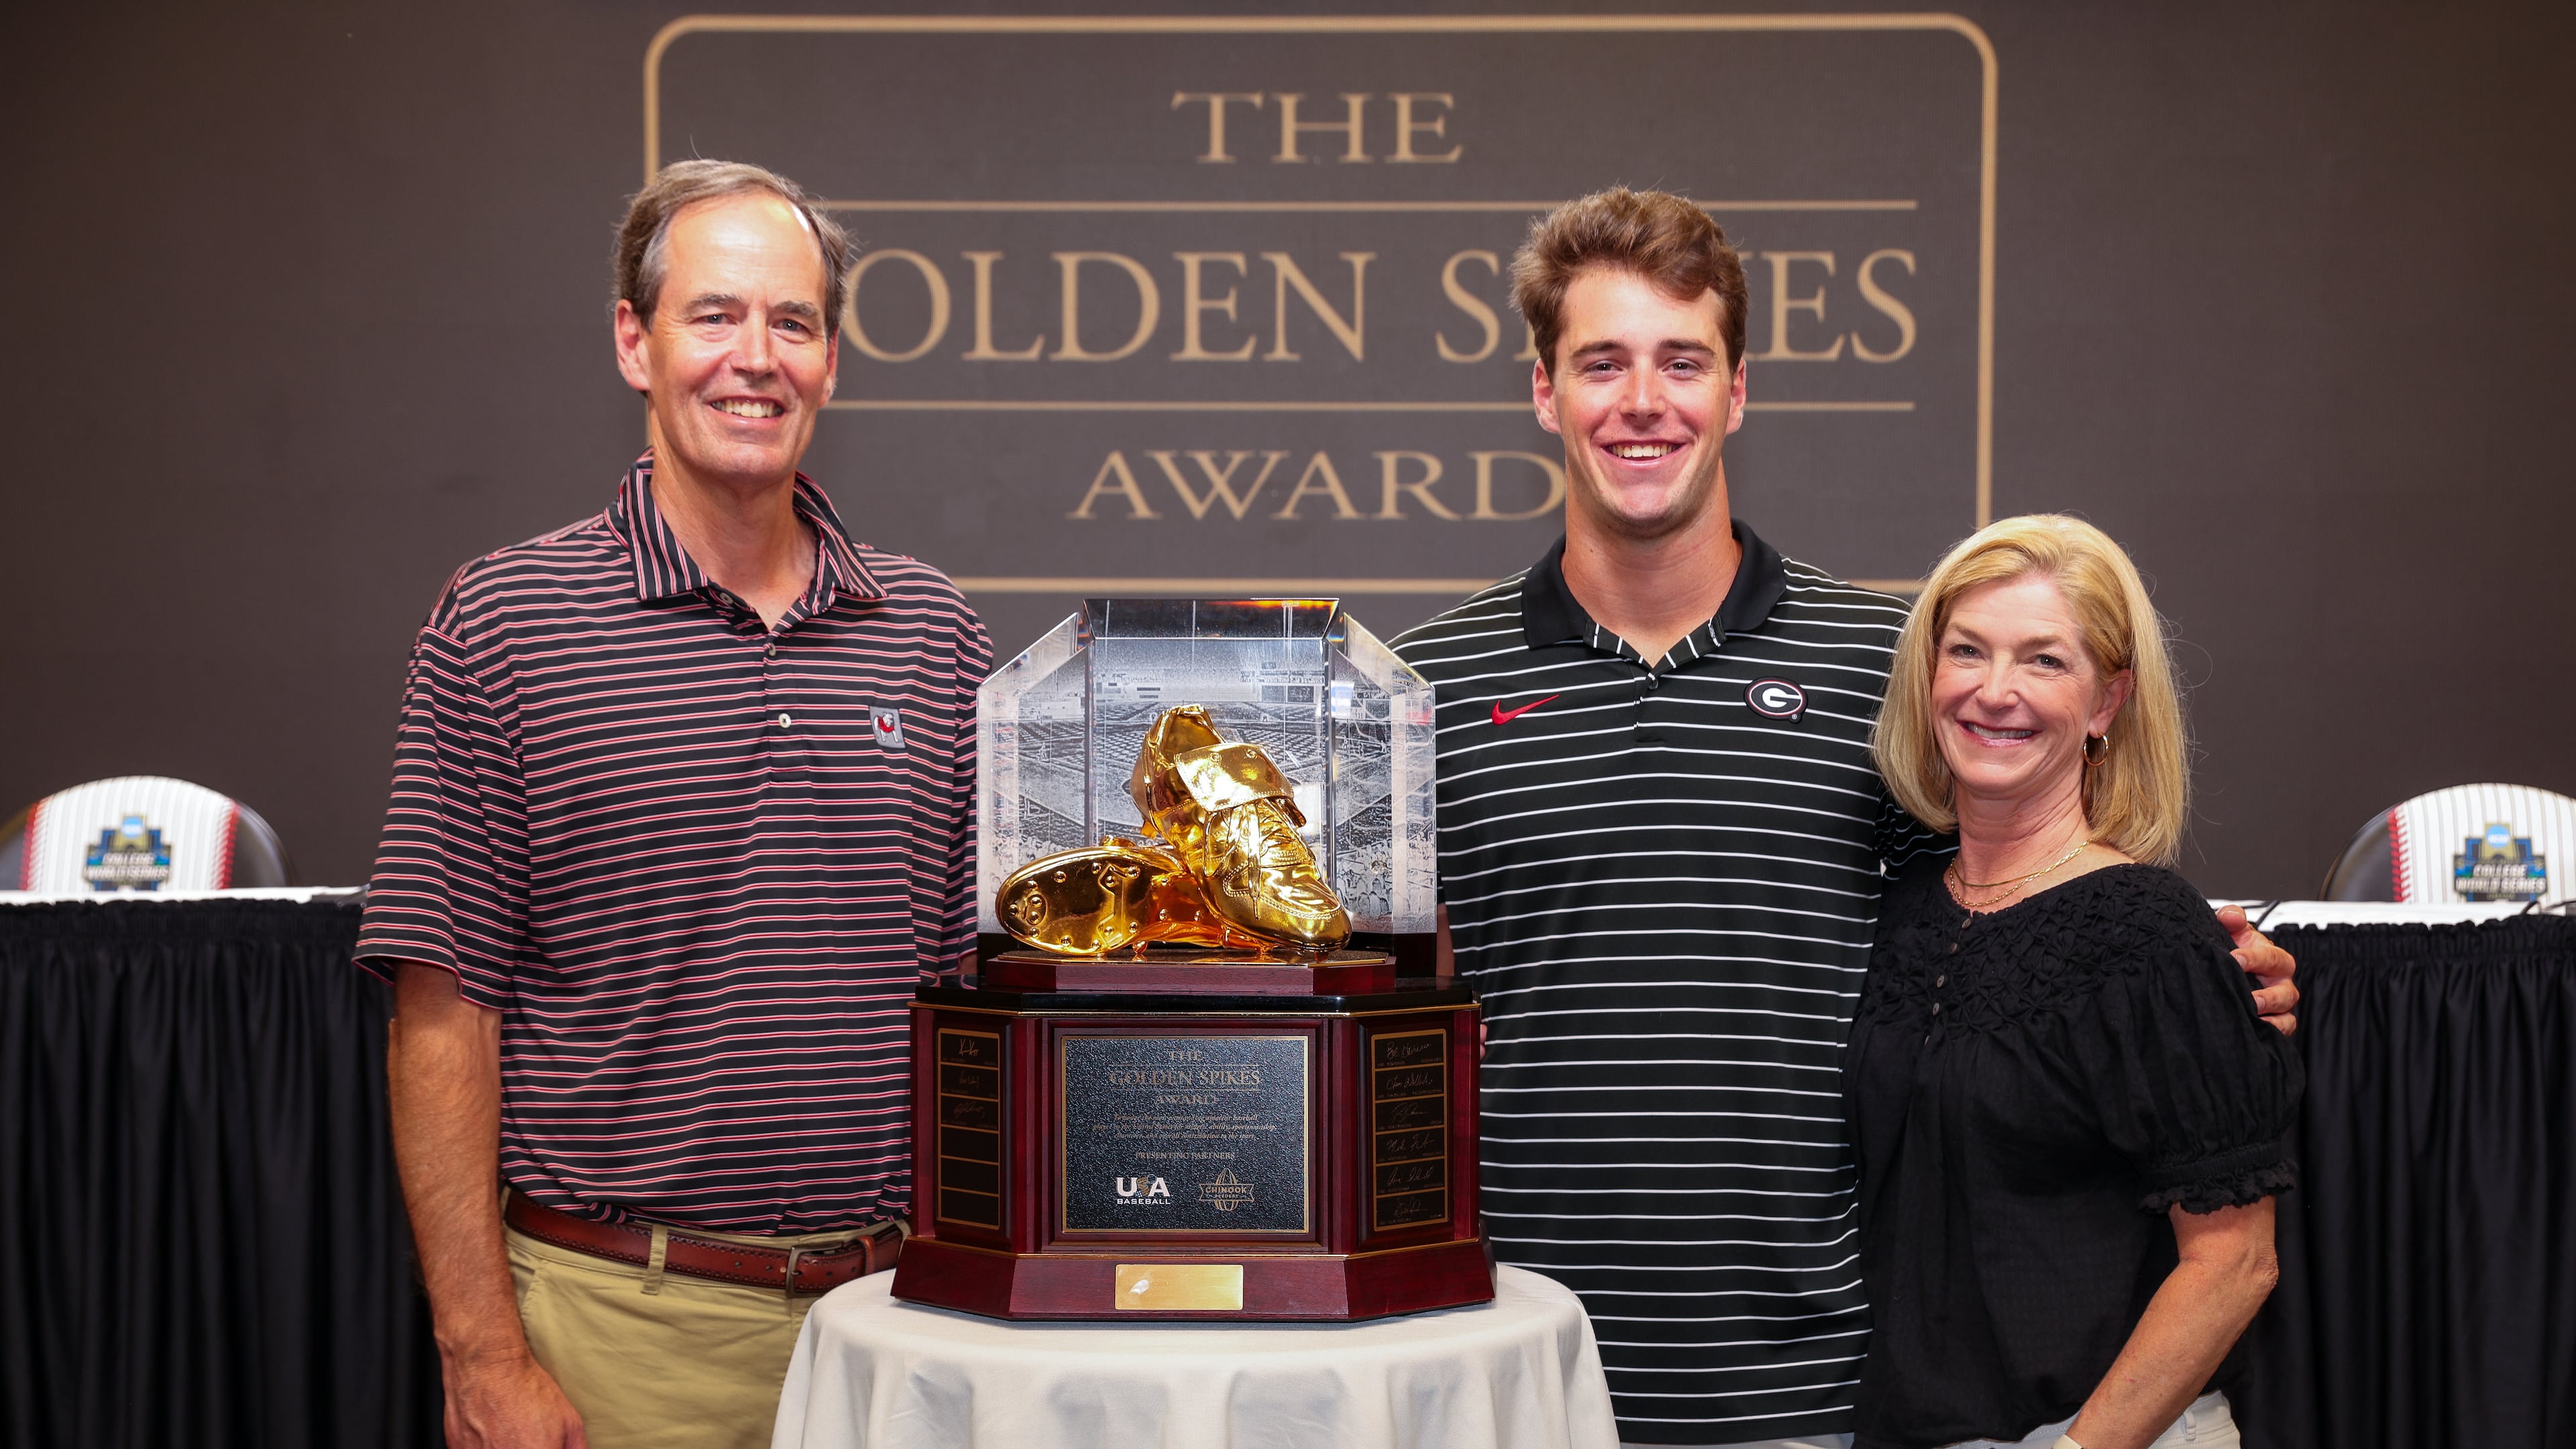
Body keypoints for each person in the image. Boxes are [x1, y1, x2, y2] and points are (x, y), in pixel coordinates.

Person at [1390, 189, 2298, 1449]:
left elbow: (2020, 924)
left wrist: (2208, 978)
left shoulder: (1893, 673)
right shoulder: (1415, 690)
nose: (1642, 401)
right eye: (1601, 363)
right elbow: (1365, 1026)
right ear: (1544, 393)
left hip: (1819, 1388)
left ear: (1739, 391)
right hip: (1510, 1374)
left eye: (1682, 362)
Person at [356, 160, 991, 1449]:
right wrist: (482, 1358)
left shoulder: (934, 635)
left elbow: (975, 1002)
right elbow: (442, 1020)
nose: (755, 358)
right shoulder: (504, 624)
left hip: (903, 1330)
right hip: (618, 1337)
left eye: (794, 323)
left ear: (831, 362)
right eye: (715, 316)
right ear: (634, 343)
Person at [1847, 515, 2300, 1448]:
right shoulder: (1899, 913)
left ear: (2107, 702)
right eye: (1967, 650)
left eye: (2045, 660)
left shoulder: (2149, 933)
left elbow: (2235, 1263)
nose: (1995, 691)